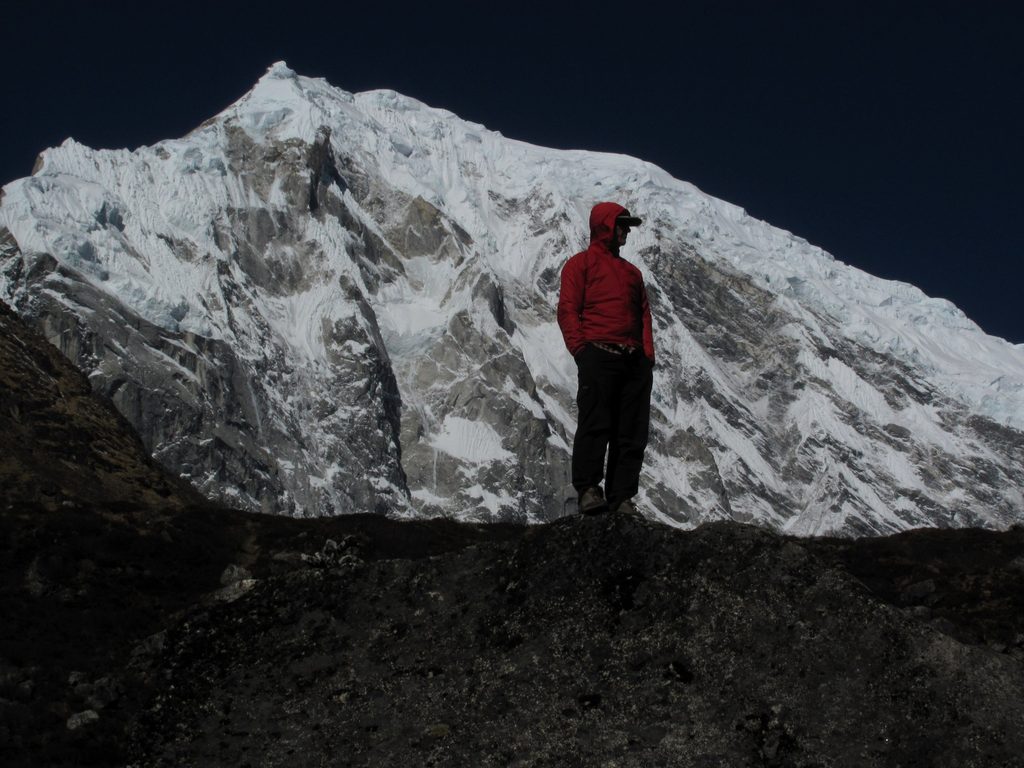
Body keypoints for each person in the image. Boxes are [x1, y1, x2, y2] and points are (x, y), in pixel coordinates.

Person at [557, 201, 655, 515]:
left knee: (631, 432)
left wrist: (646, 357)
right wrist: (582, 351)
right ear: (605, 226)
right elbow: (568, 310)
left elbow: (643, 315)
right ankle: (588, 489)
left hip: (632, 361)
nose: (626, 231)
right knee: (595, 424)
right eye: (621, 224)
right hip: (598, 354)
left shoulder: (633, 273)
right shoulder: (580, 265)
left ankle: (621, 496)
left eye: (627, 225)